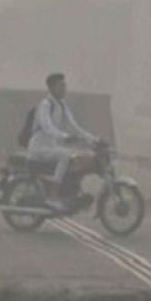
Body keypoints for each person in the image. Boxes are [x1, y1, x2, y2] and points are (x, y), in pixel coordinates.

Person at [26, 73, 99, 211]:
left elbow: (75, 126)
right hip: (39, 149)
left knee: (78, 156)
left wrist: (93, 139)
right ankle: (52, 197)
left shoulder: (62, 105)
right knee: (65, 155)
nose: (65, 88)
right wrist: (65, 137)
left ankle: (71, 193)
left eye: (65, 85)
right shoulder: (45, 105)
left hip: (51, 148)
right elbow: (47, 128)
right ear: (52, 87)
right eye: (61, 85)